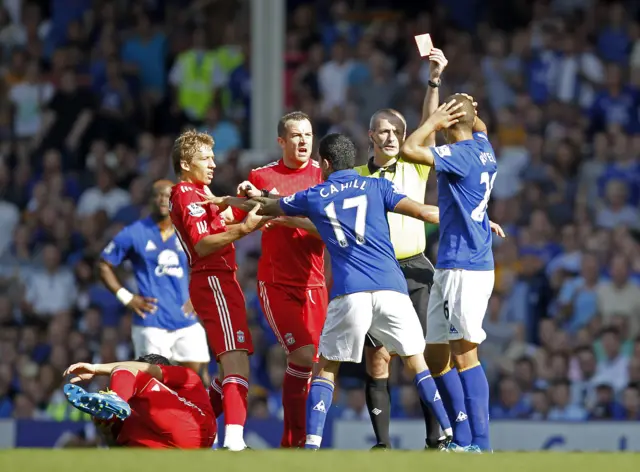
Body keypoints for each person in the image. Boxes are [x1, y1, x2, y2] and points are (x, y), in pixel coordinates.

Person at [236, 133, 455, 450]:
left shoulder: (315, 194)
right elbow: (424, 212)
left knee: (326, 367)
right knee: (416, 362)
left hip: (351, 292)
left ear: (324, 163)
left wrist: (248, 195)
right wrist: (471, 221)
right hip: (392, 289)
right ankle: (448, 434)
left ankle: (311, 447)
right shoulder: (378, 185)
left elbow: (271, 206)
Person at [353, 48, 450, 450]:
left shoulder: (414, 165)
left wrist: (433, 80)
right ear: (370, 136)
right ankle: (382, 445)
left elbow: (429, 126)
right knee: (378, 360)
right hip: (375, 273)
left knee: (424, 355)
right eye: (384, 131)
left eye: (397, 130)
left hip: (414, 268)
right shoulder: (355, 176)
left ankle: (435, 440)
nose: (392, 137)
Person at [400, 94, 501, 452]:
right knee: (435, 355)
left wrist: (433, 121)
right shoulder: (483, 145)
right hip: (451, 264)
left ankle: (481, 444)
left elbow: (410, 147)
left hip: (466, 268)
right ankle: (460, 438)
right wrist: (467, 111)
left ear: (448, 126)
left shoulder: (459, 155)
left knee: (465, 355)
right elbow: (481, 125)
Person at [168, 129, 268, 451]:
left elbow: (224, 218)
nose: (213, 163)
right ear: (186, 163)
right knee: (236, 360)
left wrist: (254, 199)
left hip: (221, 279)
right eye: (205, 158)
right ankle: (234, 442)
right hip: (213, 278)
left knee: (228, 367)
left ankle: (193, 428)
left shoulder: (201, 194)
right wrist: (244, 228)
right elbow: (203, 243)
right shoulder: (185, 193)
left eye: (213, 157)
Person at [233, 111, 327, 448]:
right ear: (281, 141)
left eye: (308, 135)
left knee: (312, 364)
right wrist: (248, 195)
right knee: (302, 354)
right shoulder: (262, 174)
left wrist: (288, 217)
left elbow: (328, 230)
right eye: (296, 136)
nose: (303, 142)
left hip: (314, 284)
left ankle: (294, 443)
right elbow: (248, 208)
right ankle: (296, 440)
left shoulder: (322, 175)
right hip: (275, 283)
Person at [98, 180, 210, 380]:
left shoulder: (187, 230)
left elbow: (206, 264)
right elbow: (104, 265)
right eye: (157, 195)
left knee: (199, 381)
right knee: (153, 386)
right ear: (149, 200)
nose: (162, 199)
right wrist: (126, 297)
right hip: (151, 323)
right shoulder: (134, 232)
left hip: (186, 321)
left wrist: (198, 295)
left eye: (168, 195)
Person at [63, 354, 216, 449]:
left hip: (196, 426)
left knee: (125, 371)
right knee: (122, 424)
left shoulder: (186, 377)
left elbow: (145, 369)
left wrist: (96, 369)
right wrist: (107, 435)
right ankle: (107, 414)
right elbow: (124, 455)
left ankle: (112, 403)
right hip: (180, 448)